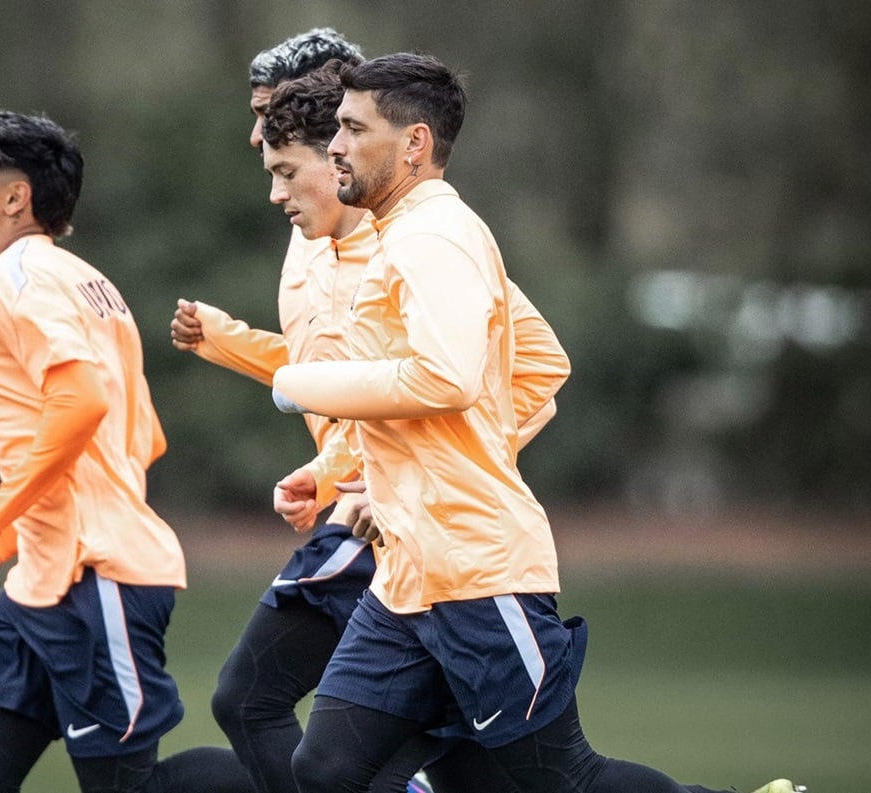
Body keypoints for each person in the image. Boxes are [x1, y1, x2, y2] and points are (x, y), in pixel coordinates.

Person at [270, 54, 803, 793]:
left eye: (354, 129)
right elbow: (536, 367)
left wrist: (301, 382)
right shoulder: (402, 237)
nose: (335, 147)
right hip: (408, 573)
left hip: (479, 572)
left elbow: (446, 377)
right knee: (326, 767)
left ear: (415, 144)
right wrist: (383, 485)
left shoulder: (436, 238)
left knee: (560, 779)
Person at [171, 41, 564, 793]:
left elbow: (515, 370)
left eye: (275, 125)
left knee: (251, 701)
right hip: (387, 528)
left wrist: (428, 473)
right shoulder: (317, 239)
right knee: (433, 763)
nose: (259, 139)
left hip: (437, 536)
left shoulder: (424, 239)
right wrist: (332, 465)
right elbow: (330, 372)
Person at [0, 105, 254, 793]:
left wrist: (0, 506)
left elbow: (83, 404)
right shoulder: (87, 281)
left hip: (98, 576)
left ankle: (348, 781)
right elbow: (142, 438)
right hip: (46, 579)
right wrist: (23, 528)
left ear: (15, 196)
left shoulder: (17, 281)